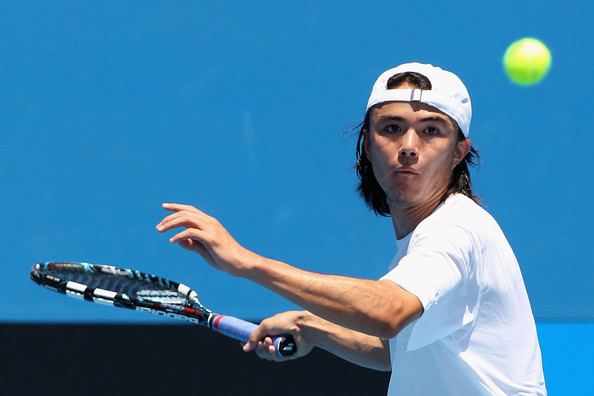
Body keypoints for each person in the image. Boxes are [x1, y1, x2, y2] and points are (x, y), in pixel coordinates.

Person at [156, 62, 546, 395]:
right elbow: (398, 347)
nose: (409, 145)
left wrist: (247, 264)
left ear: (459, 151)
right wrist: (310, 326)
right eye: (392, 128)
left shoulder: (454, 231)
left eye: (431, 131)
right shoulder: (429, 235)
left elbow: (389, 311)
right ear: (367, 144)